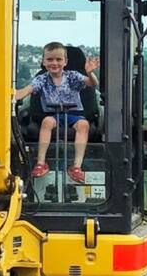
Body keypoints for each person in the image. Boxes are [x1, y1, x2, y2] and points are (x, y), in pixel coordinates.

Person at [15, 41, 99, 184]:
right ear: (43, 62)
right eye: (50, 59)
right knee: (47, 122)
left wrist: (90, 73)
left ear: (65, 61)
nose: (54, 63)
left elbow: (92, 84)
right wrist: (11, 94)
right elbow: (26, 90)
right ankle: (41, 163)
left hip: (74, 114)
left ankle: (76, 167)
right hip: (53, 114)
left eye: (58, 59)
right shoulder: (41, 79)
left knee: (83, 125)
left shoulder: (73, 76)